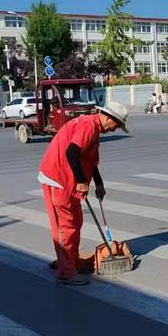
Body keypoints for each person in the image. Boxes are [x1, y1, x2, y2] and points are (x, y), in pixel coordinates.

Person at [38, 102, 129, 285]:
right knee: (66, 226)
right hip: (59, 179)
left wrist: (99, 183)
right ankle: (66, 272)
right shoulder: (88, 126)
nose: (115, 129)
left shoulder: (94, 128)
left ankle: (70, 261)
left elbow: (88, 159)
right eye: (116, 125)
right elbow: (72, 152)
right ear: (108, 118)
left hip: (66, 179)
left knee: (75, 221)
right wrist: (81, 181)